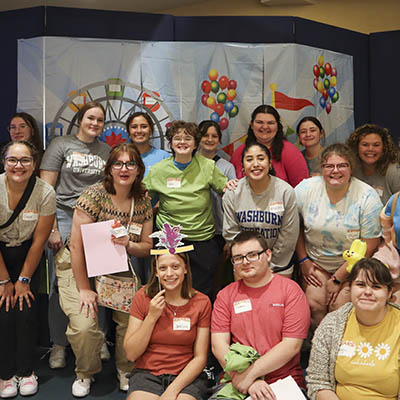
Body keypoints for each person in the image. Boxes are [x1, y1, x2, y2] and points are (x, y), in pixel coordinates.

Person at [58, 143, 153, 397]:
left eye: (130, 164)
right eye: (118, 164)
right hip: (79, 266)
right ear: (109, 169)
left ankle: (126, 369)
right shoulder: (93, 195)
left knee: (130, 319)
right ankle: (86, 372)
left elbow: (146, 247)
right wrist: (84, 289)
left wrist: (129, 244)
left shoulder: (143, 200)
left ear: (138, 169)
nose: (124, 169)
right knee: (84, 325)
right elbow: (76, 246)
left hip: (117, 265)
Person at [40, 101, 111, 369]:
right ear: (80, 120)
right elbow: (46, 190)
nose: (95, 123)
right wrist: (54, 228)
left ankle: (98, 337)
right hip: (64, 218)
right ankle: (59, 343)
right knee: (61, 283)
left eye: (100, 120)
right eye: (90, 118)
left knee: (99, 283)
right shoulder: (60, 145)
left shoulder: (105, 150)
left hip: (96, 218)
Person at [210, 231, 310, 400]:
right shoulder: (225, 295)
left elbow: (291, 345)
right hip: (234, 381)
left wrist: (250, 375)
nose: (245, 262)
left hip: (283, 382)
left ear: (268, 255)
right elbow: (218, 346)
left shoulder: (290, 291)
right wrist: (248, 381)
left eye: (252, 255)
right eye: (239, 258)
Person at [295, 143, 382, 332]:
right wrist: (303, 260)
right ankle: (319, 350)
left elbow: (370, 243)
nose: (335, 171)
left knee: (339, 308)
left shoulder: (367, 196)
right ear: (322, 168)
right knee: (314, 304)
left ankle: (339, 354)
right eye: (329, 166)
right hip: (316, 262)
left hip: (354, 266)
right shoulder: (305, 190)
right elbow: (294, 227)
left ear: (351, 168)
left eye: (342, 165)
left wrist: (337, 279)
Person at [143, 120, 233, 300]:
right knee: (168, 291)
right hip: (169, 241)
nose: (182, 142)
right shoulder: (159, 170)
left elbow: (225, 191)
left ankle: (198, 327)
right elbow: (144, 202)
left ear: (195, 143)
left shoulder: (207, 166)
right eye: (177, 138)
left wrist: (230, 186)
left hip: (202, 239)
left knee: (200, 293)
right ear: (170, 142)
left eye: (188, 138)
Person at [123, 225, 211, 400]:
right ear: (156, 272)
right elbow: (131, 354)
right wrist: (152, 317)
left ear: (185, 269)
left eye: (175, 266)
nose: (169, 274)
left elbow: (200, 358)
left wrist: (172, 391)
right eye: (163, 268)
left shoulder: (202, 302)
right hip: (148, 374)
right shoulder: (143, 297)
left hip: (186, 376)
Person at [0, 141, 55, 398]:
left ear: (34, 165)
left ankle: (26, 371)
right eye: (13, 160)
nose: (18, 166)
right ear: (4, 162)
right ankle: (5, 374)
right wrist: (3, 281)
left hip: (28, 257)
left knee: (25, 309)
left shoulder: (44, 192)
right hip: (0, 256)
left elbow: (40, 240)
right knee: (3, 311)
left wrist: (23, 279)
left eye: (25, 161)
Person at [307, 257, 400, 400]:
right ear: (350, 289)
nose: (367, 292)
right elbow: (318, 381)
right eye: (361, 285)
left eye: (376, 286)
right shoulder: (332, 323)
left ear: (388, 293)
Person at [223, 142, 299, 277]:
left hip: (278, 265)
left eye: (261, 158)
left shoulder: (285, 191)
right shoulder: (233, 193)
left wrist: (269, 264)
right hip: (245, 264)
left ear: (270, 164)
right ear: (243, 166)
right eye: (249, 159)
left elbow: (289, 235)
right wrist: (249, 262)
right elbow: (231, 233)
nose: (256, 164)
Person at [230, 105, 309, 187]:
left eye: (270, 123)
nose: (265, 127)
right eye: (259, 122)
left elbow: (302, 189)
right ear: (251, 125)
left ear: (278, 126)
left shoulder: (291, 152)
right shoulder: (239, 152)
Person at [346, 123, 400, 204]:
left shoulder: (393, 171)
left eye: (376, 145)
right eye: (365, 145)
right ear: (356, 147)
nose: (370, 149)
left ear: (384, 147)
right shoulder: (350, 169)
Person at [126, 111, 169, 177]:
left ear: (151, 131)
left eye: (144, 126)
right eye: (134, 127)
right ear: (128, 132)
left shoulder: (164, 157)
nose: (139, 131)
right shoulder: (122, 157)